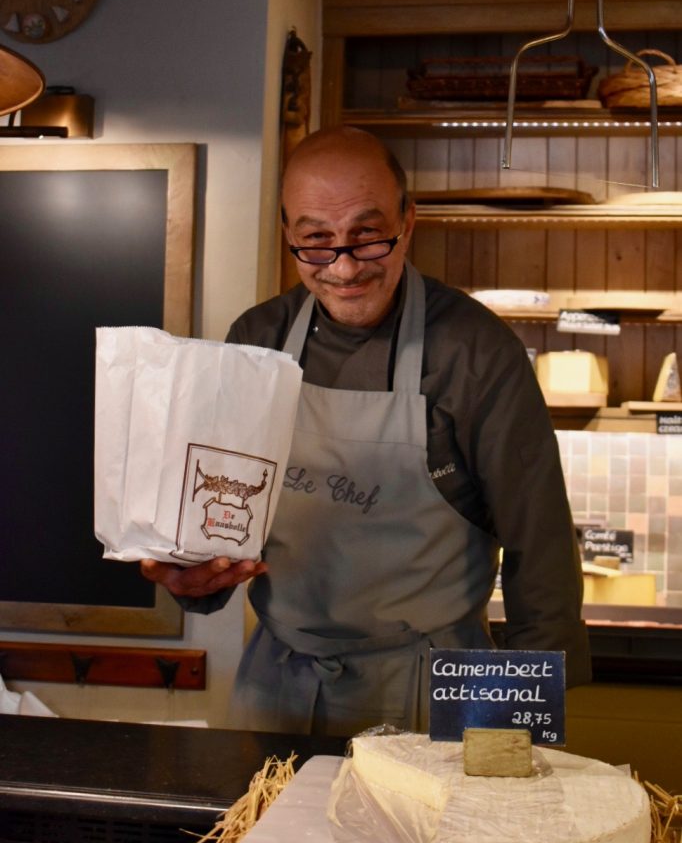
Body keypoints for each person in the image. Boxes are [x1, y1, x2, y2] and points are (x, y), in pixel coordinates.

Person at [141, 126, 591, 736]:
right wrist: (193, 580)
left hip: (431, 692)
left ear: (408, 220)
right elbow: (216, 530)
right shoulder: (257, 341)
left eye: (367, 235)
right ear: (289, 235)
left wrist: (523, 732)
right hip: (277, 683)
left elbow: (540, 553)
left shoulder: (476, 351)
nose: (345, 266)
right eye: (317, 241)